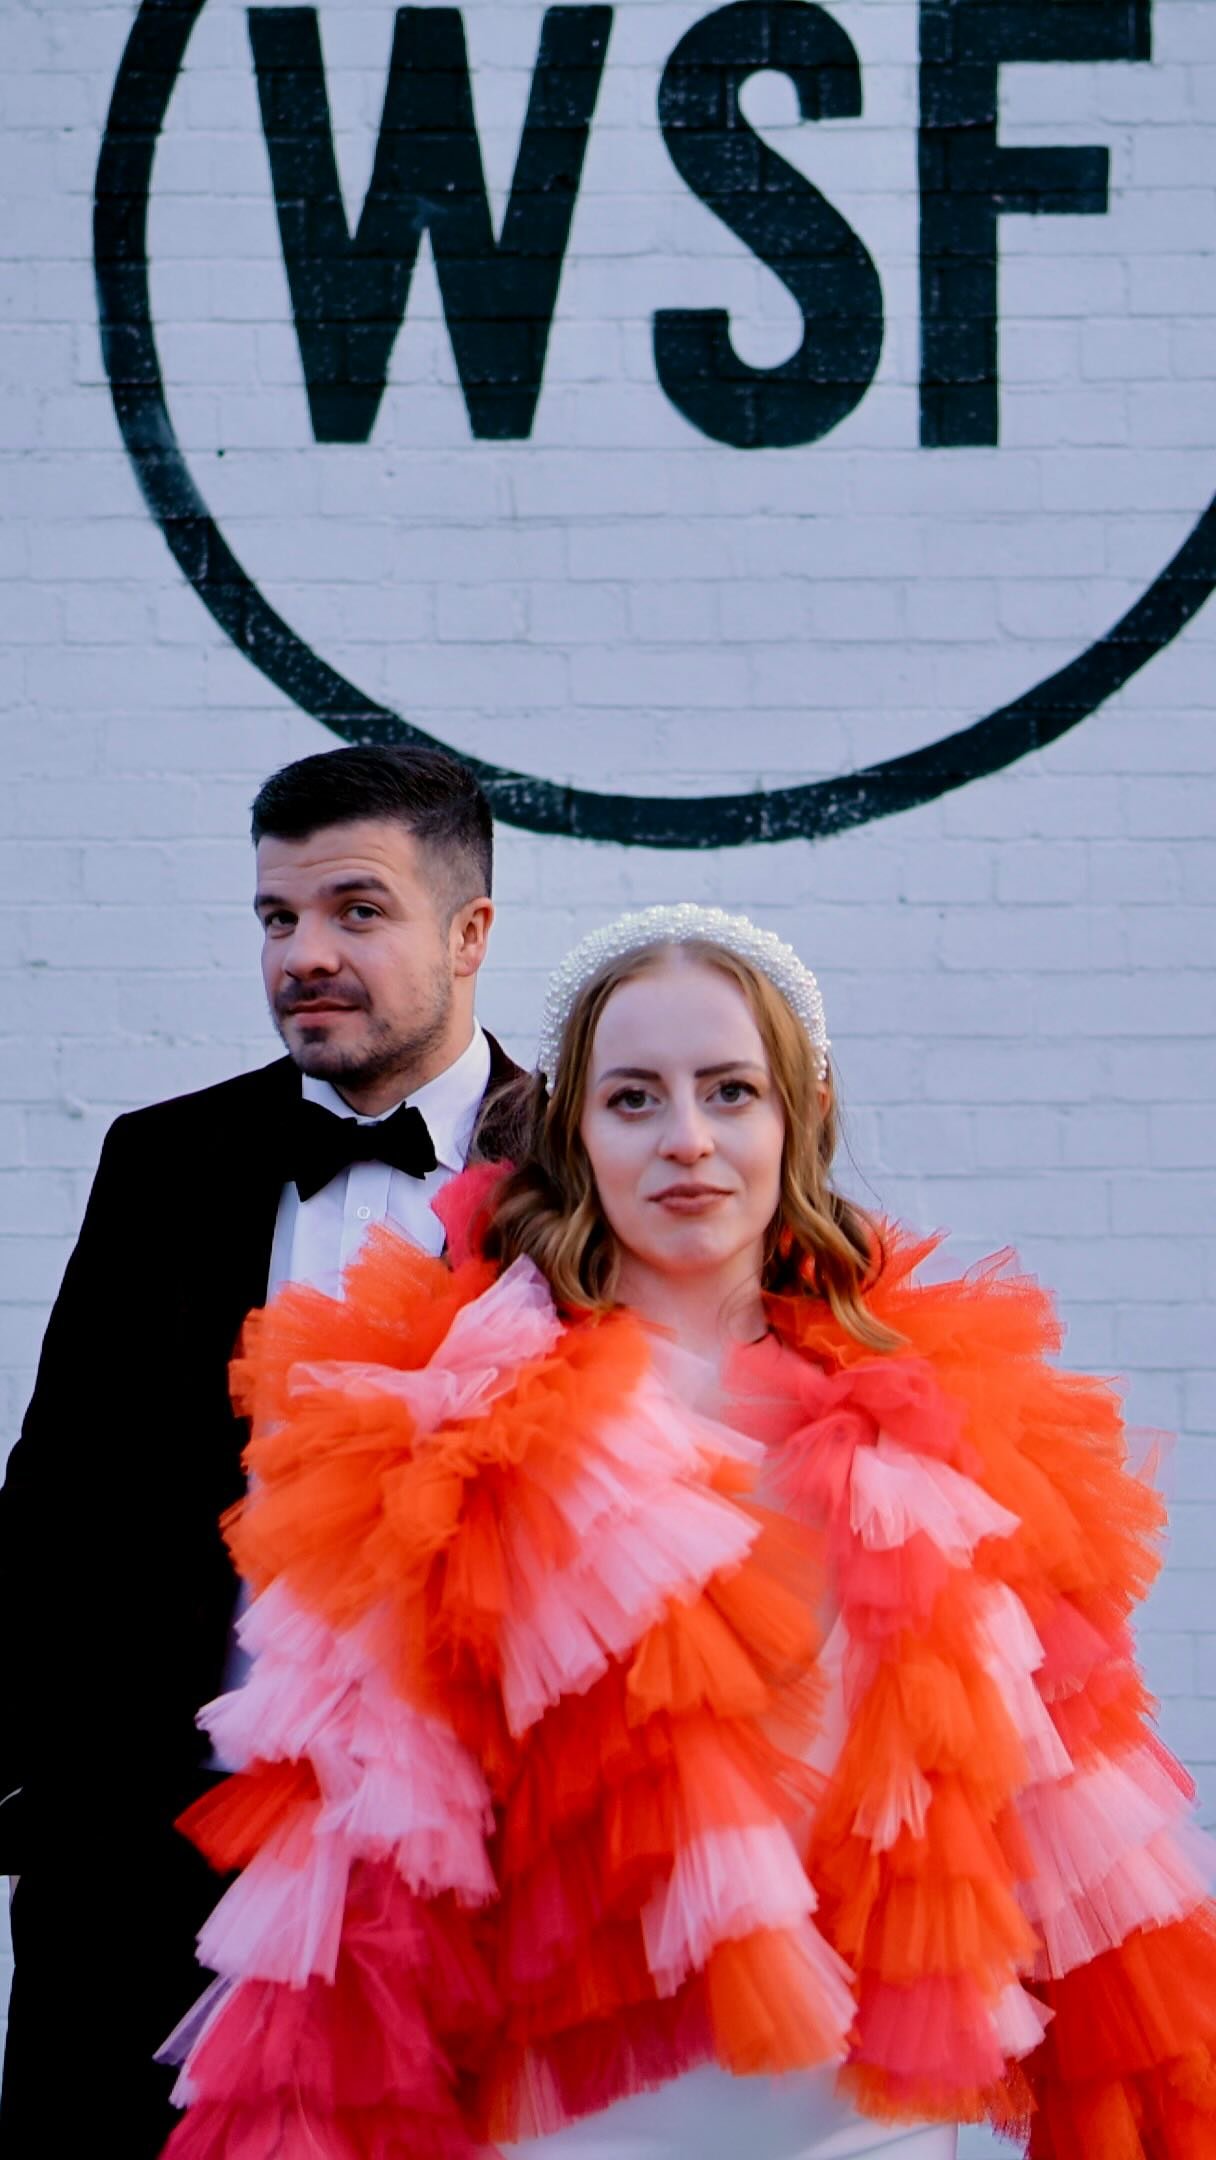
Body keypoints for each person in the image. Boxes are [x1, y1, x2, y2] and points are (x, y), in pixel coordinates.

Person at [160, 903, 1215, 2159]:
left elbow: (1078, 1838)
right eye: (633, 1100)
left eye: (730, 1091)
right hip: (570, 2130)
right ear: (573, 1132)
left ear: (799, 1114)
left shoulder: (947, 1424)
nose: (688, 1141)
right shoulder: (452, 1431)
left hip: (867, 2127)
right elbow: (368, 1869)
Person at [0, 745, 523, 2157]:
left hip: (470, 1885)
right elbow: (54, 1502)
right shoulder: (160, 1162)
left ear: (470, 932)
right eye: (276, 918)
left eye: (358, 911)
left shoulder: (581, 1174)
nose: (304, 956)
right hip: (152, 1869)